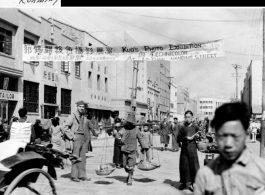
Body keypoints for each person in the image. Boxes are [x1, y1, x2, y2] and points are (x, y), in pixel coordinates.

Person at [194, 102, 265, 195]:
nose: (228, 144)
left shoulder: (262, 169)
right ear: (215, 136)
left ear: (247, 135)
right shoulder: (205, 174)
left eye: (235, 136)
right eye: (223, 136)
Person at [64, 100, 97, 182]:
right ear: (77, 107)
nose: (82, 108)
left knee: (83, 158)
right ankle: (74, 176)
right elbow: (64, 127)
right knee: (75, 157)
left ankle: (82, 175)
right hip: (76, 138)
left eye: (83, 107)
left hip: (83, 138)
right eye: (80, 107)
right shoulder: (73, 116)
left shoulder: (84, 117)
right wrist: (72, 136)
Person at [177, 110, 200, 192]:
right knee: (184, 166)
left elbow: (200, 136)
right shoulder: (182, 127)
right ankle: (183, 183)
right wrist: (186, 138)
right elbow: (178, 138)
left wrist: (197, 136)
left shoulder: (195, 127)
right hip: (184, 149)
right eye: (186, 117)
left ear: (192, 118)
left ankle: (193, 184)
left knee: (193, 167)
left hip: (193, 149)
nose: (187, 119)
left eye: (189, 117)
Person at [121, 113, 141, 186]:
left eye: (130, 123)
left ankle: (130, 178)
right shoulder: (124, 129)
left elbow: (140, 138)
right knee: (124, 165)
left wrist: (142, 147)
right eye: (128, 122)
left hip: (133, 150)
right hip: (124, 149)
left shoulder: (136, 130)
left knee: (131, 165)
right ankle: (129, 173)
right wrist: (115, 130)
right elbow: (117, 136)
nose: (129, 124)